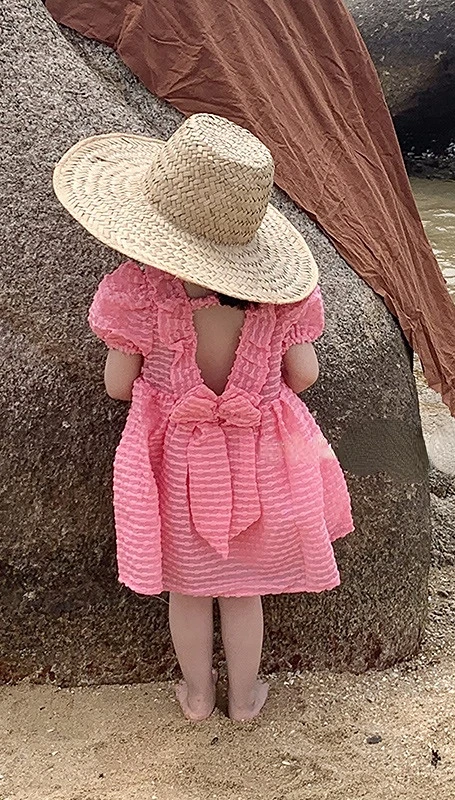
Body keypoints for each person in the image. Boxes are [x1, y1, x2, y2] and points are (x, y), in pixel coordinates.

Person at [53, 113, 354, 722]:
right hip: (260, 464)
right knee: (243, 590)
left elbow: (117, 386)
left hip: (175, 464)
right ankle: (244, 700)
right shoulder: (279, 299)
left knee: (187, 589)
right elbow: (305, 374)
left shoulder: (138, 292)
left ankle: (196, 697)